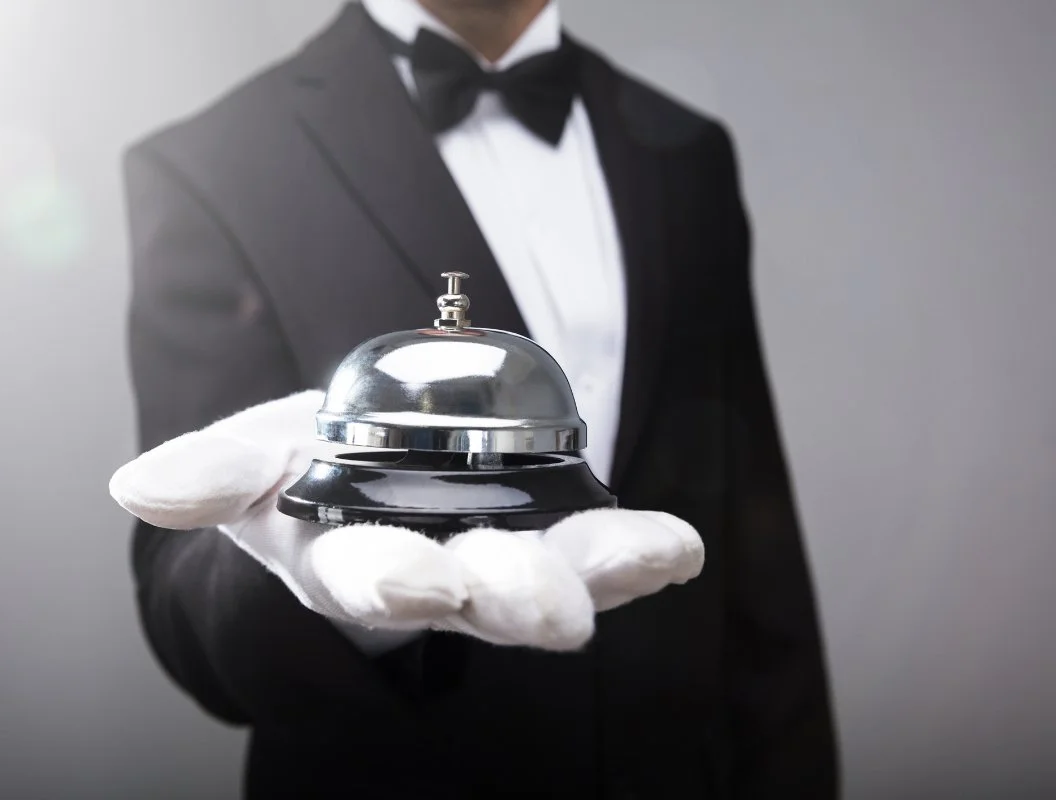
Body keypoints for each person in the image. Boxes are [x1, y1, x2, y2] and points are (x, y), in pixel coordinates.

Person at [111, 1, 838, 796]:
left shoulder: (685, 152)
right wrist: (304, 575)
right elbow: (185, 590)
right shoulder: (213, 163)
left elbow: (753, 534)